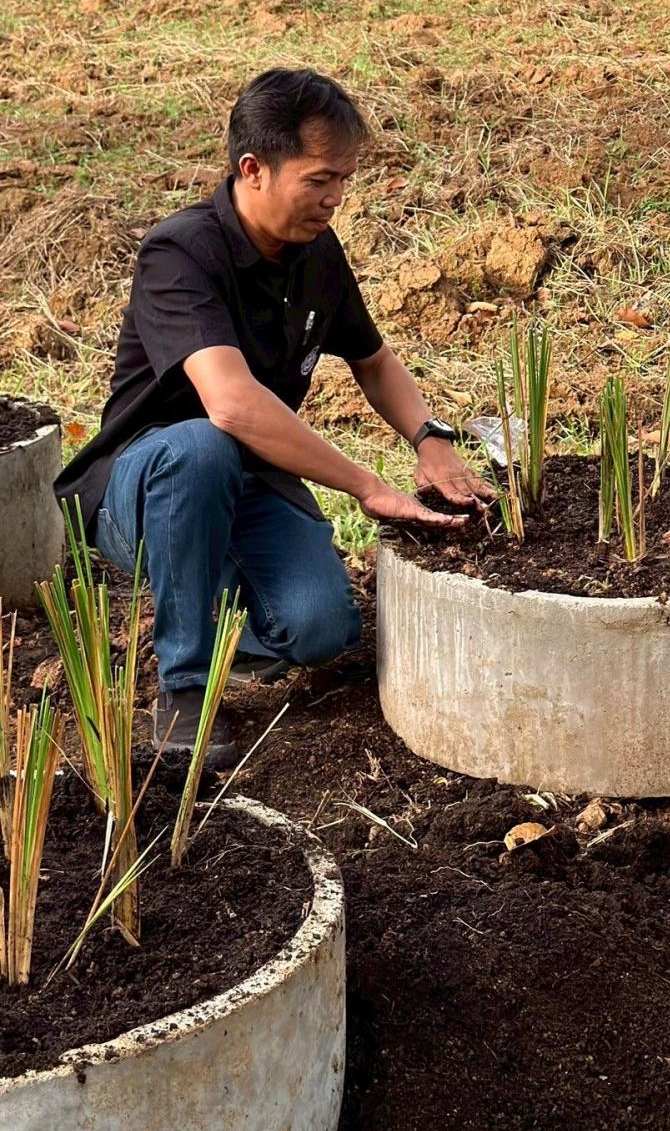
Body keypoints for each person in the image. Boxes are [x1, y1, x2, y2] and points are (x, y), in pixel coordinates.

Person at [57, 67, 493, 763]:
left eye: (344, 179)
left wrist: (430, 437)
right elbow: (229, 403)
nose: (335, 198)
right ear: (253, 168)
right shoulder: (180, 253)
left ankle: (196, 595)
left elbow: (373, 360)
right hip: (143, 484)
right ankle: (185, 684)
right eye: (319, 178)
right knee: (200, 447)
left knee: (320, 630)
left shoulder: (315, 252)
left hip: (249, 484)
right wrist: (365, 483)